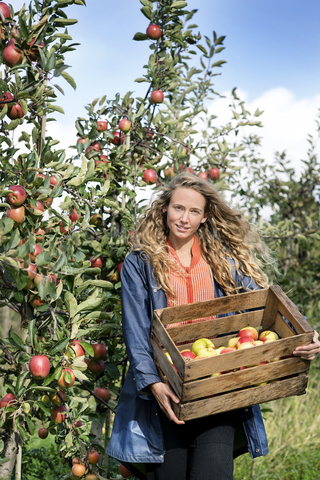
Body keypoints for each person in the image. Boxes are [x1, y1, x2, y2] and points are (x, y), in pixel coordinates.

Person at [106, 173, 320, 480]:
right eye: (178, 208)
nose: (184, 218)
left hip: (218, 386)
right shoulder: (141, 263)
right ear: (165, 209)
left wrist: (306, 334)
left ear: (205, 216)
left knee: (213, 472)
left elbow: (267, 298)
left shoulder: (222, 260)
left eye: (194, 211)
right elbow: (136, 332)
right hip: (167, 392)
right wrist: (154, 385)